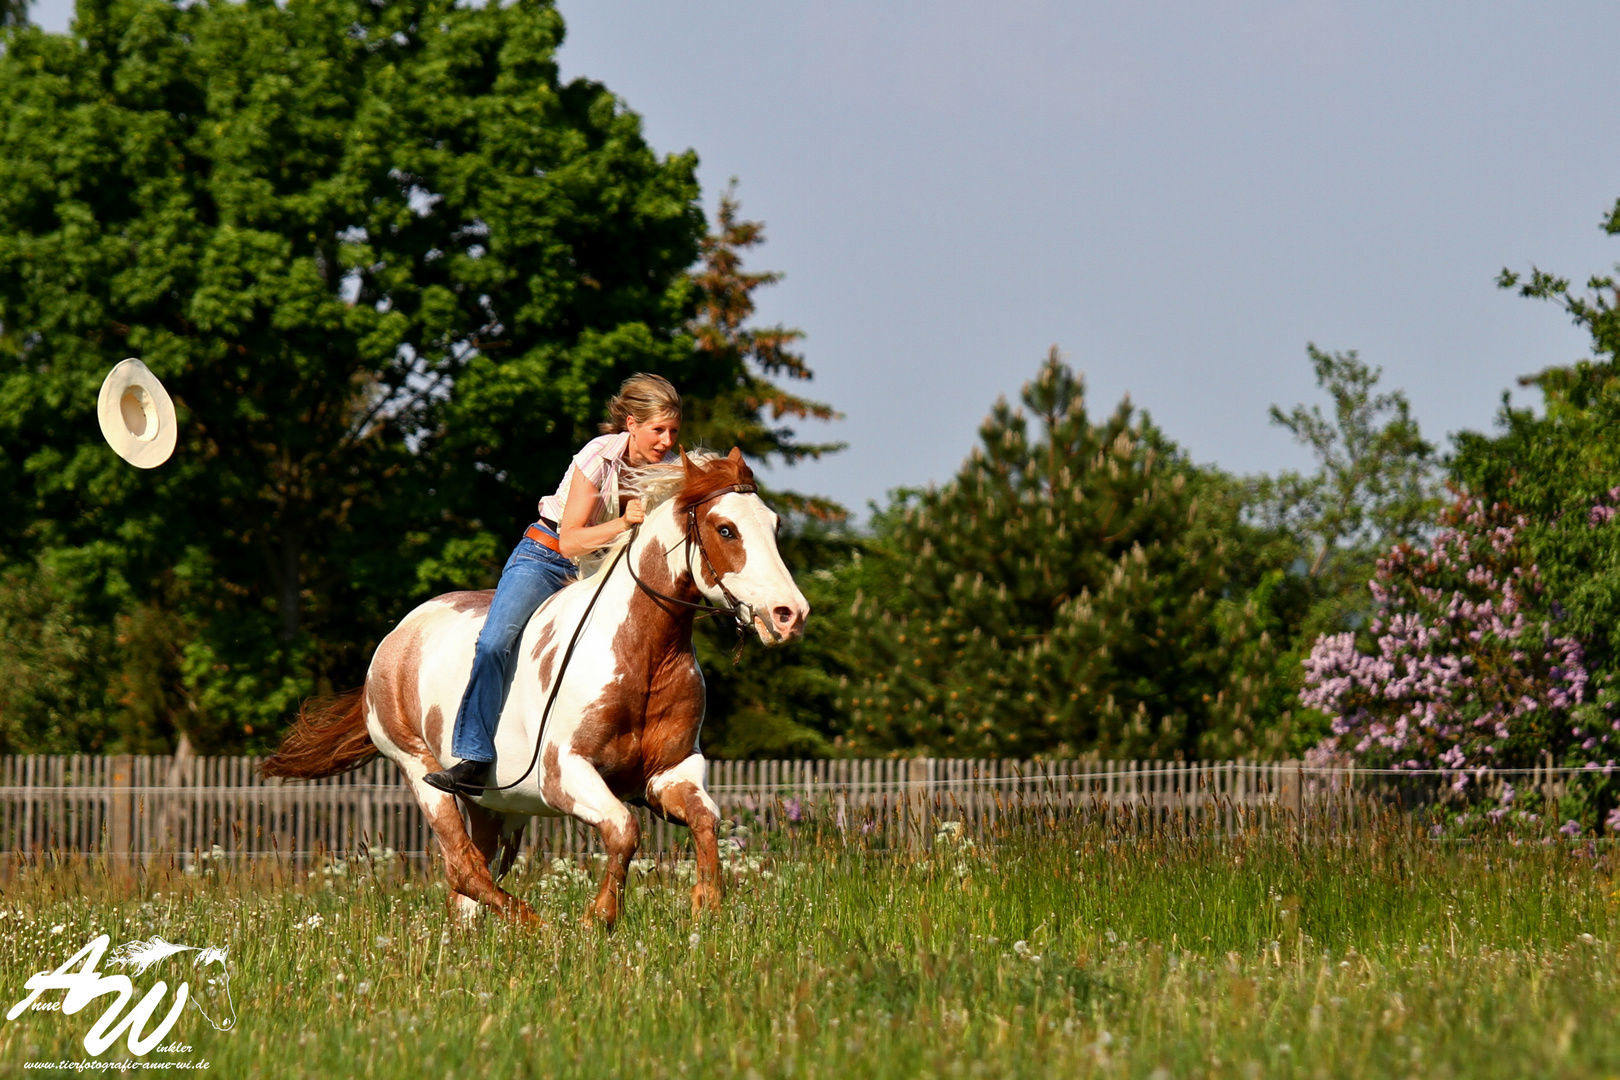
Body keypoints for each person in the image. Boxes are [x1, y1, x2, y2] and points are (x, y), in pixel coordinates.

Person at [424, 374, 682, 796]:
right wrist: (623, 522)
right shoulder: (598, 455)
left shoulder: (669, 469)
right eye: (658, 430)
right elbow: (571, 539)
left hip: (606, 567)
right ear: (631, 424)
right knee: (494, 643)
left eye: (673, 431)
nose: (666, 441)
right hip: (547, 559)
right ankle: (471, 756)